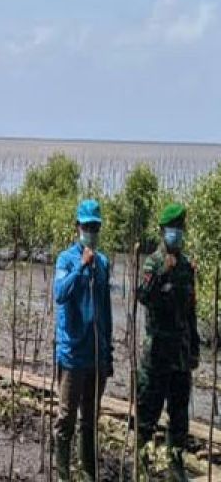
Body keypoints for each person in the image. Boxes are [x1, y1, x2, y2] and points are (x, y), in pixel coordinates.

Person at [136, 202, 200, 482]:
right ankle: (142, 463)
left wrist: (195, 349)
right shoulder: (153, 262)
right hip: (157, 355)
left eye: (180, 229)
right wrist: (162, 271)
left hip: (181, 356)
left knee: (179, 415)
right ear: (163, 232)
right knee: (147, 412)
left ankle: (176, 465)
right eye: (172, 229)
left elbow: (191, 313)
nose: (177, 233)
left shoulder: (187, 267)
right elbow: (143, 296)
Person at [52, 199, 113, 482]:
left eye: (95, 227)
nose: (91, 231)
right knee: (66, 418)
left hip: (96, 355)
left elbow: (106, 310)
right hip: (72, 354)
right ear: (77, 227)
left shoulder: (103, 263)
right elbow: (60, 293)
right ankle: (63, 474)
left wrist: (108, 354)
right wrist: (80, 267)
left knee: (89, 420)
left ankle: (88, 473)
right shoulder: (66, 260)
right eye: (87, 226)